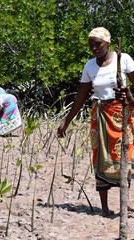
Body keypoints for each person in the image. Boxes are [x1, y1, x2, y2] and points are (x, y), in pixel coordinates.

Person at [57, 27, 134, 217]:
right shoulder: (89, 66)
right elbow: (81, 97)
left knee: (129, 158)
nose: (94, 48)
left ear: (107, 43)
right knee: (100, 159)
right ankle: (105, 208)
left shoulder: (123, 59)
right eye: (91, 45)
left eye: (97, 44)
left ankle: (127, 205)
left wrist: (129, 94)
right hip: (99, 117)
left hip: (123, 114)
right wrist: (66, 122)